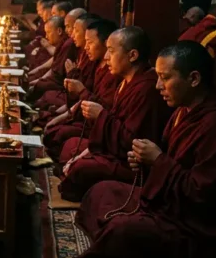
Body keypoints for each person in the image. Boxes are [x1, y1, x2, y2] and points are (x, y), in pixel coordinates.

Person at [76, 41, 216, 258]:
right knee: (101, 191)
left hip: (203, 232)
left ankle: (114, 239)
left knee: (123, 232)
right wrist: (145, 161)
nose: (158, 86)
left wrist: (157, 161)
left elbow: (205, 197)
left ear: (193, 78)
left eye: (165, 77)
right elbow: (171, 162)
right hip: (172, 204)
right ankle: (112, 238)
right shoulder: (184, 111)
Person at [58, 27, 172, 201]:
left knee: (80, 168)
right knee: (73, 153)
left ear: (132, 55)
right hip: (115, 152)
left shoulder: (146, 88)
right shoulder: (126, 82)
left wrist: (101, 115)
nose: (106, 57)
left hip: (132, 164)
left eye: (111, 51)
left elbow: (133, 139)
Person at [43, 18, 119, 151]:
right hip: (86, 119)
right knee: (52, 127)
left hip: (99, 131)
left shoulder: (113, 72)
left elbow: (104, 110)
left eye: (89, 42)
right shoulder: (96, 64)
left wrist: (81, 90)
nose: (86, 47)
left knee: (60, 136)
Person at [36, 9, 87, 109]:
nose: (68, 31)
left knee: (42, 90)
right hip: (71, 93)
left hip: (68, 91)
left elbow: (59, 75)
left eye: (69, 27)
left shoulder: (70, 44)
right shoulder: (71, 43)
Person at [28, 16, 77, 103]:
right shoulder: (63, 43)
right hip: (55, 79)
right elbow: (55, 66)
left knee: (40, 88)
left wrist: (39, 81)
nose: (46, 36)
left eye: (48, 32)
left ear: (59, 31)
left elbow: (58, 74)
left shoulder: (68, 44)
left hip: (61, 84)